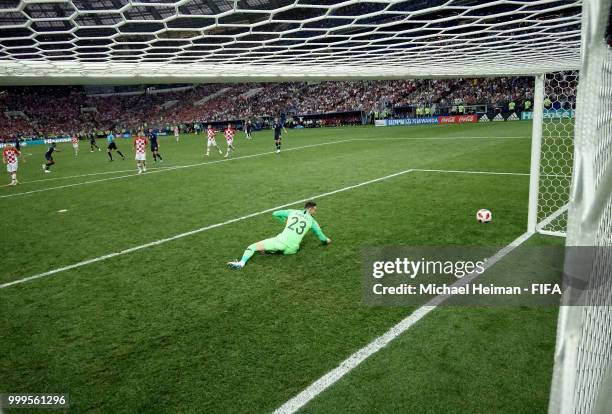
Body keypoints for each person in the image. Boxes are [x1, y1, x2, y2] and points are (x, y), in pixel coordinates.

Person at [227, 201, 331, 270]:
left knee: (252, 247)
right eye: (315, 210)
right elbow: (321, 237)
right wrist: (327, 240)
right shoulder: (313, 222)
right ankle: (271, 251)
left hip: (280, 242)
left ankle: (241, 263)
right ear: (310, 209)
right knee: (281, 247)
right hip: (293, 249)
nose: (316, 212)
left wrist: (284, 221)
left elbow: (275, 213)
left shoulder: (292, 212)